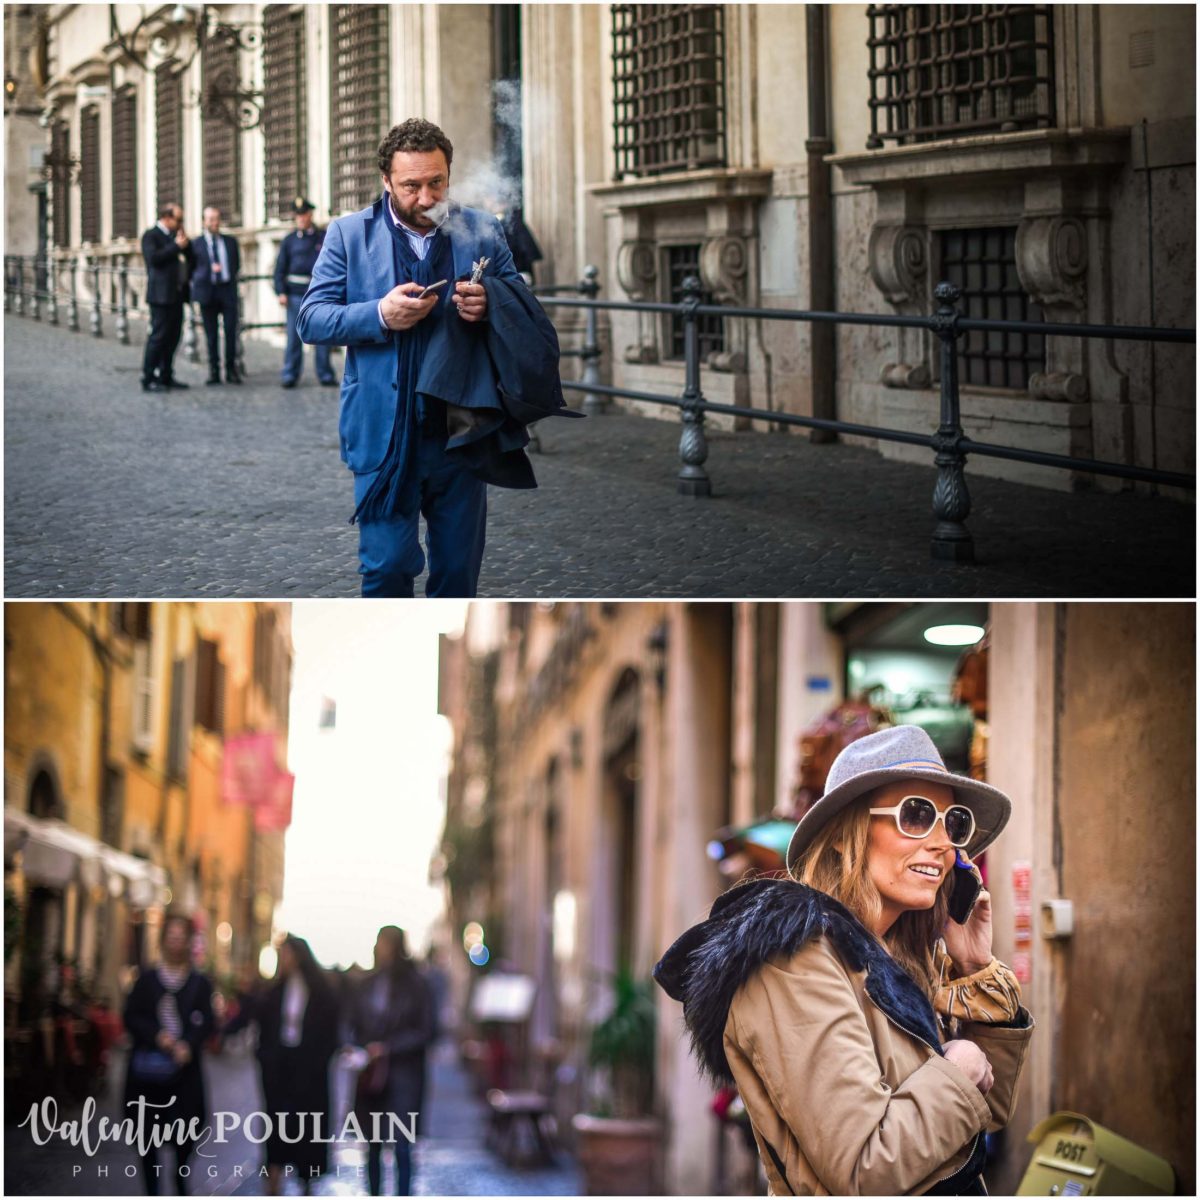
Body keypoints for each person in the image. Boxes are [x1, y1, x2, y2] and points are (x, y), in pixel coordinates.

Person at [654, 725, 1034, 1196]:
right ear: (844, 833)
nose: (943, 843)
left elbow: (981, 1116)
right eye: (915, 815)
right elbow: (864, 1171)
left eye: (952, 823)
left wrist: (977, 969)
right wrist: (958, 1069)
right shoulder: (795, 960)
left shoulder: (899, 958)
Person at [297, 117, 572, 599]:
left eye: (436, 183)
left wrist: (491, 304)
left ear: (449, 174)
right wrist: (379, 313)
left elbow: (521, 303)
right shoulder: (347, 235)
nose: (426, 198)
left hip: (464, 432)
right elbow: (311, 319)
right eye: (410, 186)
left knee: (457, 577)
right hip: (384, 434)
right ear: (385, 181)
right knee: (385, 571)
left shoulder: (483, 230)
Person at [122, 913, 215, 1194]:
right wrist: (156, 1036)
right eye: (171, 937)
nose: (175, 943)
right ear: (163, 940)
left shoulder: (200, 984)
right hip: (147, 1078)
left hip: (184, 1078)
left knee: (185, 1137)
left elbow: (208, 1021)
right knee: (147, 1140)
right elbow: (130, 1017)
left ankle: (179, 1181)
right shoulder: (147, 980)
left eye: (181, 937)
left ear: (188, 942)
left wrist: (188, 1043)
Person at [346, 926, 436, 1196]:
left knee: (401, 1145)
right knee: (371, 1145)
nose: (379, 948)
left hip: (403, 1076)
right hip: (371, 1077)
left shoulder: (417, 986)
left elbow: (427, 1030)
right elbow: (353, 1024)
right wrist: (360, 1049)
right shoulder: (367, 984)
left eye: (384, 943)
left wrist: (389, 1049)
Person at [252, 935, 340, 1195]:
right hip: (279, 1068)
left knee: (307, 1127)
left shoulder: (321, 991)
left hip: (309, 1070)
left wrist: (316, 1060)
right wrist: (266, 1058)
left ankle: (306, 1180)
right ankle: (273, 1180)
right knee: (276, 1127)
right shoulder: (275, 991)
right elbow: (263, 1026)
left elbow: (329, 1032)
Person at [273, 197, 337, 389]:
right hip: (294, 294)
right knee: (293, 337)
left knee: (323, 335)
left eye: (304, 214)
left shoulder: (322, 236)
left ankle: (325, 373)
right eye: (298, 215)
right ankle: (290, 374)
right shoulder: (289, 240)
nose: (301, 218)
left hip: (318, 293)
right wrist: (280, 291)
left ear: (310, 215)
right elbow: (279, 269)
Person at [140, 203, 194, 392]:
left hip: (177, 295)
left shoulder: (175, 237)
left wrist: (184, 244)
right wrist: (175, 246)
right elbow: (153, 259)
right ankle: (148, 377)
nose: (180, 224)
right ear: (167, 217)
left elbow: (191, 257)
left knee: (173, 337)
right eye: (178, 220)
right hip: (160, 296)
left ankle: (166, 374)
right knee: (158, 337)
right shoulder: (151, 235)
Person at [191, 205, 242, 385]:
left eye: (217, 219)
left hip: (227, 291)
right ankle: (213, 371)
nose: (214, 223)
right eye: (211, 219)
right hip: (207, 293)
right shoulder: (196, 244)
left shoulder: (230, 242)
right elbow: (192, 269)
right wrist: (208, 272)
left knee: (230, 332)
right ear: (204, 222)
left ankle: (231, 369)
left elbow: (236, 265)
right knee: (211, 335)